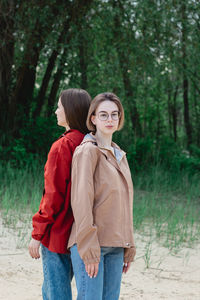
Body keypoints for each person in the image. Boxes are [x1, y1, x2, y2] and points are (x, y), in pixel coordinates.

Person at [68, 92, 136, 300]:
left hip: (115, 246)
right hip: (91, 245)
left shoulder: (119, 155)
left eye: (114, 115)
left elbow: (125, 204)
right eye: (104, 115)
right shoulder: (87, 152)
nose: (110, 120)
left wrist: (129, 245)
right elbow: (81, 202)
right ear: (93, 119)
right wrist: (88, 248)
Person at [28, 88, 91, 300]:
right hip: (81, 233)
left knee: (55, 294)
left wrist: (37, 234)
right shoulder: (92, 143)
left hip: (57, 233)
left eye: (59, 107)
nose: (55, 111)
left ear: (70, 111)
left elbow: (52, 196)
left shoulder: (63, 145)